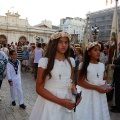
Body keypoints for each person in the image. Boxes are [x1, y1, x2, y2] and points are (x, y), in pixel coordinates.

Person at [29, 31, 81, 120]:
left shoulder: (71, 61)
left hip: (67, 102)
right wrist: (60, 101)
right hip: (50, 103)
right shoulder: (45, 62)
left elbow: (71, 81)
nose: (63, 45)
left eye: (66, 42)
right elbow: (39, 88)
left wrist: (76, 94)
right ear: (54, 44)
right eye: (60, 42)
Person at [76, 42, 111, 120]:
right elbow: (80, 82)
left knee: (98, 114)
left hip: (99, 96)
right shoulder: (84, 65)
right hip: (88, 96)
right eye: (95, 50)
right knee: (88, 114)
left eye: (99, 50)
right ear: (89, 52)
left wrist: (107, 87)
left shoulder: (101, 65)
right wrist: (96, 88)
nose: (98, 52)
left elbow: (104, 79)